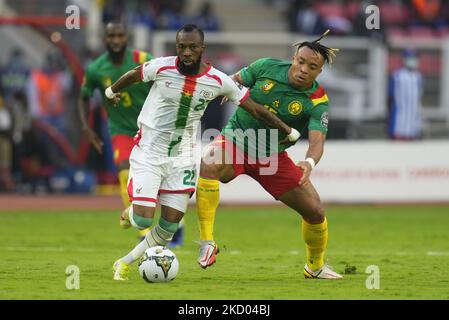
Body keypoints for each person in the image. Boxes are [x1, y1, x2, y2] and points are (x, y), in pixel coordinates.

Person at [107, 24, 300, 280]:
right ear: (176, 47)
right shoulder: (161, 66)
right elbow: (134, 74)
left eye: (192, 47)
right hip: (149, 152)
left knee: (169, 227)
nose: (186, 52)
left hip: (183, 158)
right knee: (143, 220)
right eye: (181, 47)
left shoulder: (219, 80)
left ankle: (124, 262)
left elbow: (253, 107)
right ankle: (131, 214)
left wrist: (286, 129)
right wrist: (112, 91)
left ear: (202, 48)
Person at [195, 30, 343, 279]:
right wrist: (225, 89)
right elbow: (234, 79)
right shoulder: (266, 67)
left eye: (312, 66)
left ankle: (315, 267)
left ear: (319, 72)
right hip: (237, 140)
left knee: (315, 212)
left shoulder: (318, 100)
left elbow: (317, 141)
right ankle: (207, 242)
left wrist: (309, 162)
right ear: (294, 58)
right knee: (209, 163)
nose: (304, 69)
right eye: (301, 61)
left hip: (271, 158)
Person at [78, 21, 188, 244]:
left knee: (163, 175)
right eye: (111, 36)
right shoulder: (96, 69)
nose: (116, 40)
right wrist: (86, 128)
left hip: (152, 128)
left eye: (120, 35)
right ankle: (142, 231)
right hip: (121, 130)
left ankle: (177, 224)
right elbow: (83, 96)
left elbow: (166, 82)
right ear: (104, 38)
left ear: (126, 37)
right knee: (124, 170)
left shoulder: (142, 59)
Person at [388, 49, 423, 140]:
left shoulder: (418, 77)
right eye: (410, 58)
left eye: (415, 58)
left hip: (413, 124)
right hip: (399, 123)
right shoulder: (397, 76)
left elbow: (418, 98)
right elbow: (390, 98)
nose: (413, 61)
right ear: (404, 59)